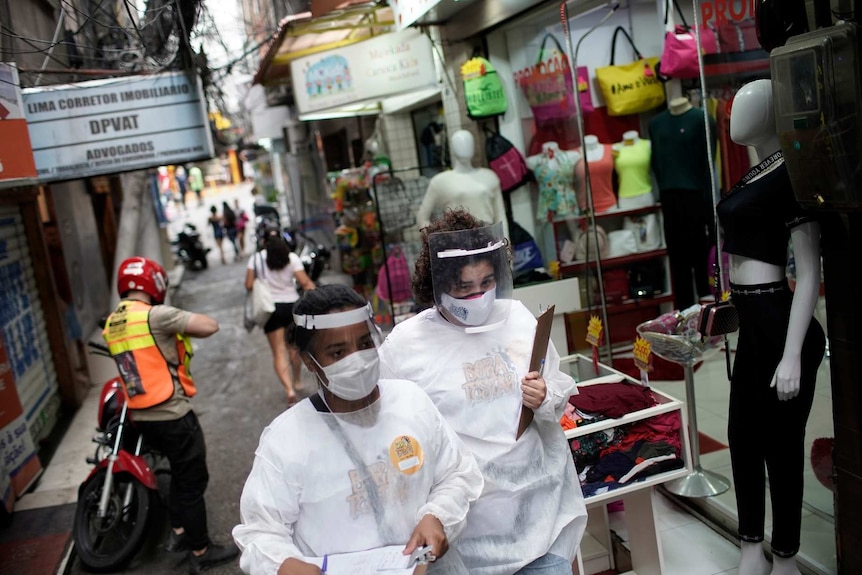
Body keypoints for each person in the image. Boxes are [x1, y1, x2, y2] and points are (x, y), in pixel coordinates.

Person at [378, 209, 587, 575]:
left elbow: (557, 386)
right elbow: (390, 432)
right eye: (463, 287)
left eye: (487, 283)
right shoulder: (405, 347)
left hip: (538, 511)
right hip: (466, 528)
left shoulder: (518, 318)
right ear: (436, 283)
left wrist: (544, 395)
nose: (478, 296)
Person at [232, 284, 484, 575]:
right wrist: (283, 564)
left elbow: (456, 473)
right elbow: (260, 531)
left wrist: (437, 516)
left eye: (365, 344)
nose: (357, 359)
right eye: (337, 352)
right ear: (308, 361)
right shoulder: (286, 439)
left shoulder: (411, 401)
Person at [718, 79, 825, 575]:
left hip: (783, 325)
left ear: (771, 112)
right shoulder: (755, 171)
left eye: (749, 104)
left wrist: (791, 354)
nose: (736, 113)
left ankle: (785, 556)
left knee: (782, 448)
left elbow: (808, 273)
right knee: (742, 436)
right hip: (753, 321)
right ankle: (749, 547)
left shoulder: (792, 173)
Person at [102, 257, 238, 574]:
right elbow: (209, 326)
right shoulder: (156, 315)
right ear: (154, 283)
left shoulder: (113, 321)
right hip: (172, 414)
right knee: (192, 480)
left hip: (140, 415)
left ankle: (178, 532)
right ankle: (201, 550)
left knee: (177, 471)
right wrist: (176, 320)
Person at [648, 96, 717, 309]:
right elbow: (657, 165)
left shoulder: (702, 119)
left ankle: (708, 319)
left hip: (696, 197)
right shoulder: (655, 124)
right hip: (670, 200)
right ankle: (683, 319)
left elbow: (708, 164)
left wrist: (709, 212)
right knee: (678, 265)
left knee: (701, 260)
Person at [245, 229, 316, 404]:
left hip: (271, 309)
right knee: (294, 348)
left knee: (278, 352)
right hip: (292, 307)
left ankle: (289, 389)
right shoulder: (291, 258)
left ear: (264, 242)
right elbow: (305, 282)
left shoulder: (256, 259)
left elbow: (248, 284)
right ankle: (297, 381)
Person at [416, 130, 510, 240]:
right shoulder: (440, 181)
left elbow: (500, 215)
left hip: (487, 237)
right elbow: (422, 216)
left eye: (468, 142)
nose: (465, 146)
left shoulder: (489, 177)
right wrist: (435, 242)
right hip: (457, 240)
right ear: (452, 147)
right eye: (459, 143)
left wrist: (505, 245)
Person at [526, 141, 581, 221]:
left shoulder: (571, 156)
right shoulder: (533, 161)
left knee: (575, 231)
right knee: (550, 232)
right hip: (547, 209)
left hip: (568, 205)